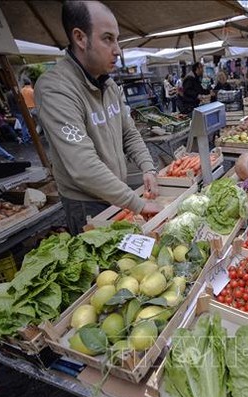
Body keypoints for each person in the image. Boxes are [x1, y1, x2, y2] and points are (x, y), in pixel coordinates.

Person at [35, 0, 161, 234]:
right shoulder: (56, 89)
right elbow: (83, 166)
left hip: (117, 192)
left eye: (117, 39)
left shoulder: (109, 84)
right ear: (80, 38)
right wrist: (137, 204)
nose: (118, 49)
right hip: (87, 204)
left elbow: (129, 133)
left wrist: (148, 168)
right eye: (107, 39)